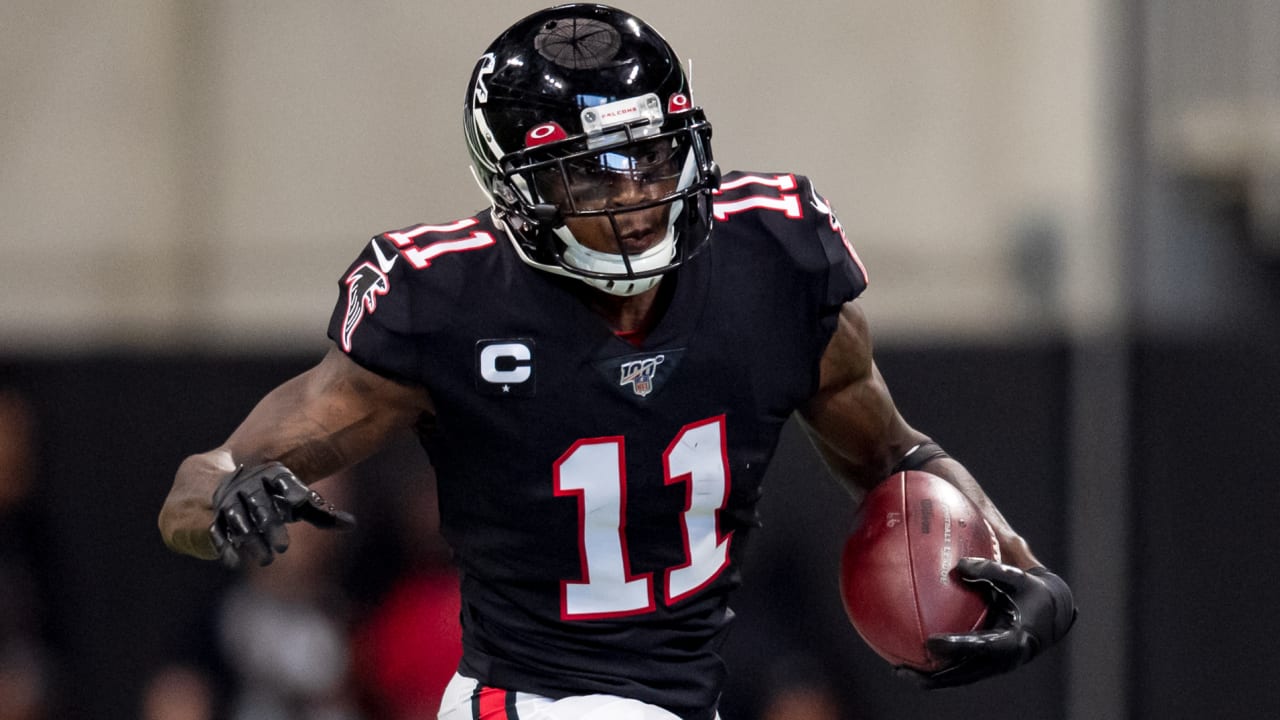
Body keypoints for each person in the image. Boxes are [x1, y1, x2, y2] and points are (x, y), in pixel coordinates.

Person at [158, 5, 1076, 720]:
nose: (634, 196)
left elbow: (892, 453)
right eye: (590, 174)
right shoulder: (447, 303)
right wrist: (223, 508)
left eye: (648, 157)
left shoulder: (772, 263)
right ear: (518, 189)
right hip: (529, 701)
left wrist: (1015, 557)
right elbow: (205, 480)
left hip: (682, 695)